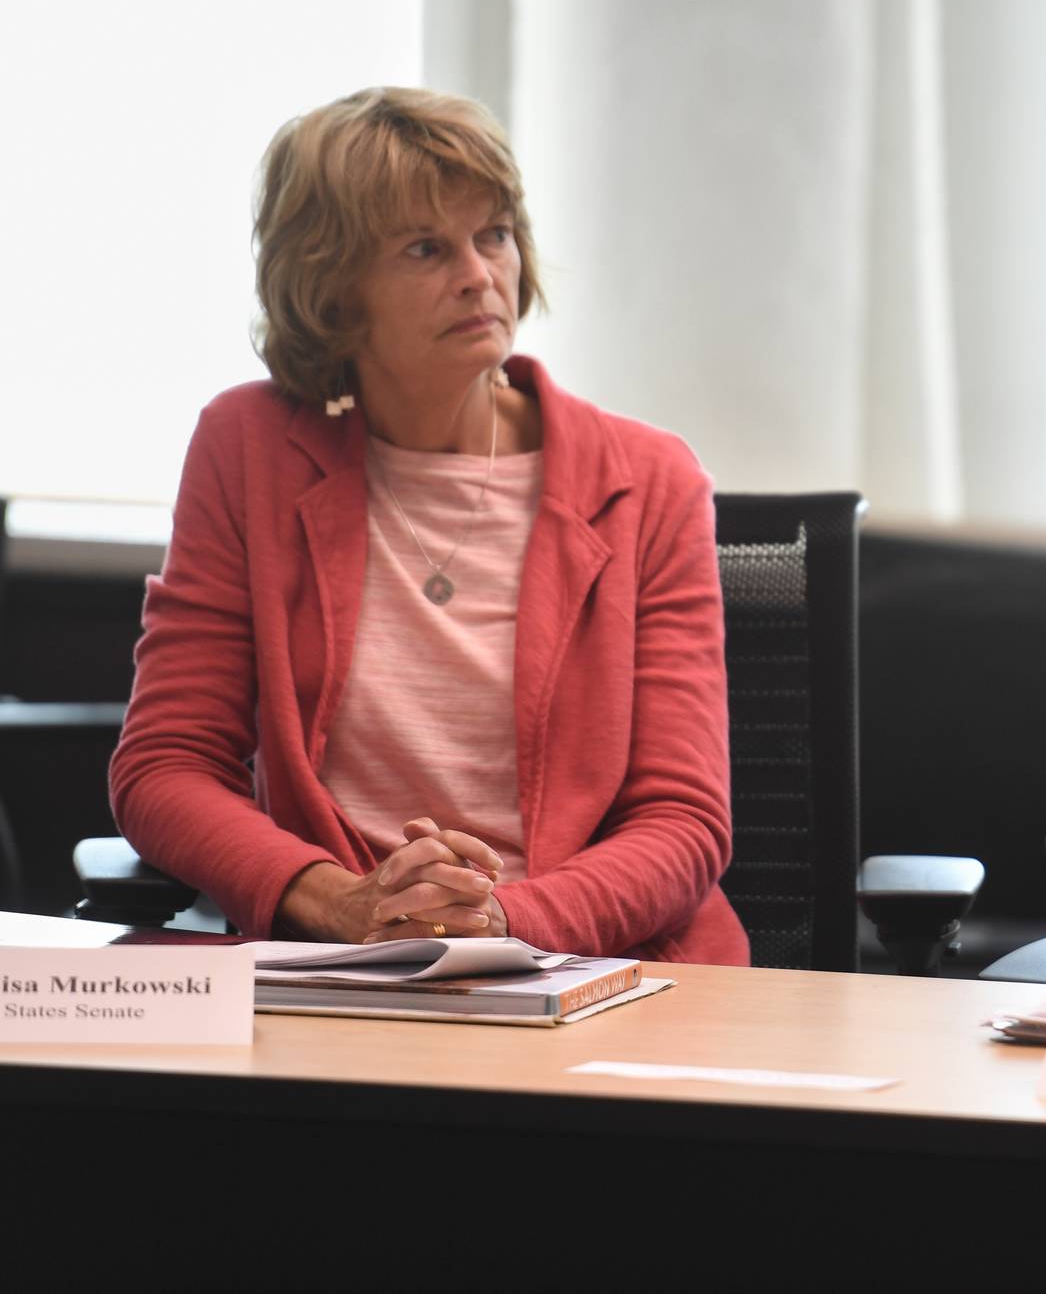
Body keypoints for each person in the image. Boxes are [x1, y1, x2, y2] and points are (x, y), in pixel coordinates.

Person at [110, 87, 745, 963]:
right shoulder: (247, 447)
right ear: (333, 289)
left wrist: (504, 925)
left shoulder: (648, 481)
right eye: (425, 248)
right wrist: (341, 904)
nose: (480, 273)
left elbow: (684, 818)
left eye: (494, 234)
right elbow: (166, 767)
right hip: (338, 971)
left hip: (606, 973)